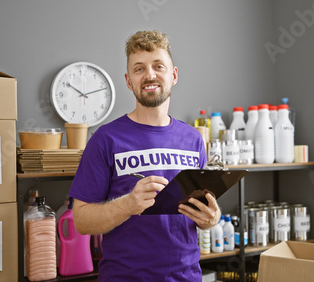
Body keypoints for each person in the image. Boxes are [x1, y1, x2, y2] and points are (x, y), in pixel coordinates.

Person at [69, 30, 221, 281]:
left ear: (173, 75)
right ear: (129, 81)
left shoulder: (193, 139)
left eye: (158, 66)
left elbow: (202, 207)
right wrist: (128, 204)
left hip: (186, 276)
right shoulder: (105, 139)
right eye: (139, 69)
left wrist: (211, 218)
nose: (150, 75)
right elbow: (82, 221)